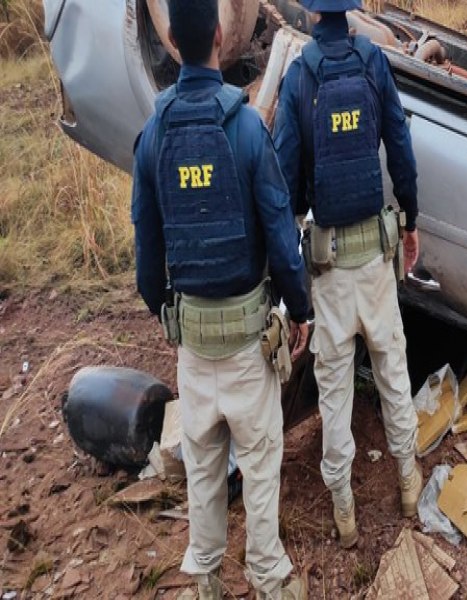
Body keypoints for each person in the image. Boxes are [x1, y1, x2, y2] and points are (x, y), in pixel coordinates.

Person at [131, 1, 310, 598]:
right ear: (216, 36)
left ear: (175, 44)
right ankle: (269, 581)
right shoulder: (245, 128)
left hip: (194, 344)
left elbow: (146, 260)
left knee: (203, 472)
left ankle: (206, 583)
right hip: (247, 343)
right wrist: (300, 310)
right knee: (260, 466)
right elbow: (283, 239)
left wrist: (171, 315)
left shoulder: (154, 134)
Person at [273, 0, 422, 549]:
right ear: (352, 12)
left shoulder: (299, 76)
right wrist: (410, 219)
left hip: (329, 267)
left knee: (334, 391)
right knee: (392, 370)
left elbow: (284, 182)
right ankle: (408, 482)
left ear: (313, 16)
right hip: (377, 261)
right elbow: (400, 147)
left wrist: (291, 277)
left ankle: (344, 512)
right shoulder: (372, 64)